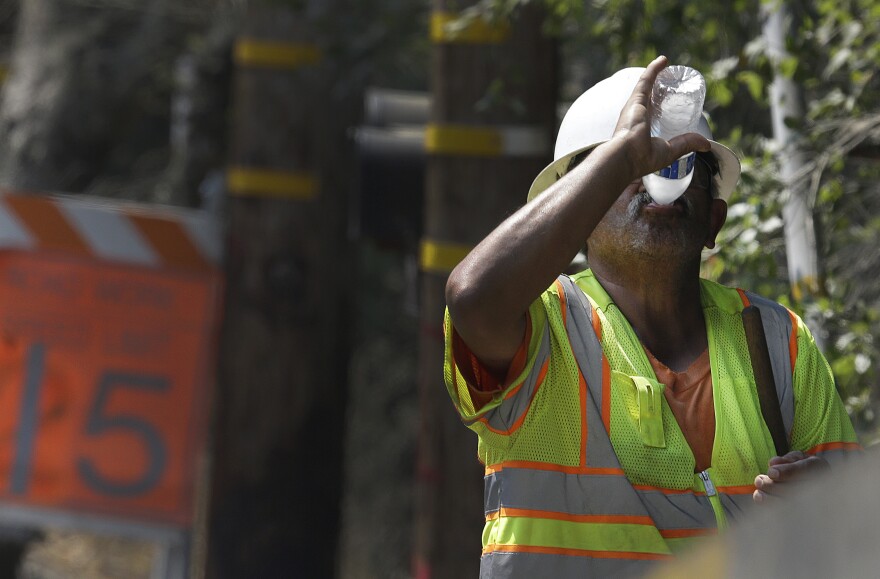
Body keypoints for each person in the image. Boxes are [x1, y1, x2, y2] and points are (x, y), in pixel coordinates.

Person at [442, 56, 860, 577]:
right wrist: (619, 157)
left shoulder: (781, 341)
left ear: (715, 220)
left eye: (681, 166)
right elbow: (470, 297)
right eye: (626, 170)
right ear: (575, 213)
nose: (655, 180)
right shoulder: (540, 330)